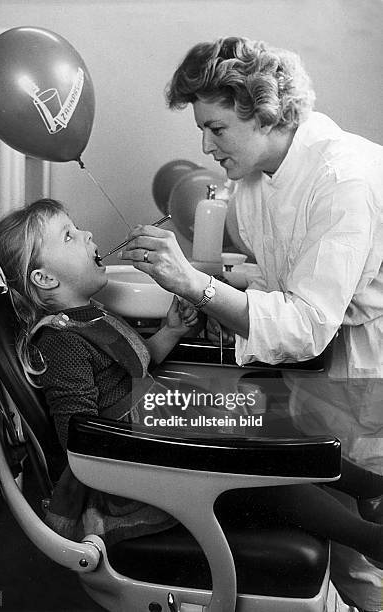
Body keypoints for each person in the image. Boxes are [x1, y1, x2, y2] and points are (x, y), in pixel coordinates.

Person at [119, 37, 383, 608]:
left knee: (367, 553)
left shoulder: (343, 178)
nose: (205, 145)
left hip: (369, 357)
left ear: (264, 112)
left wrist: (197, 284)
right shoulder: (252, 184)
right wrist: (219, 288)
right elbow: (278, 281)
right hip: (322, 360)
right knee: (334, 526)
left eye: (215, 128)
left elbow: (308, 320)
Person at [0, 198, 383, 569]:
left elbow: (131, 366)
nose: (87, 235)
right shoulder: (59, 341)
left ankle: (370, 488)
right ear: (45, 278)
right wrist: (183, 433)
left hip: (150, 422)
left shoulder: (89, 316)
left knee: (266, 419)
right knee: (254, 463)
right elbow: (80, 433)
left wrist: (170, 332)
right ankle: (371, 538)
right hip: (135, 462)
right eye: (69, 235)